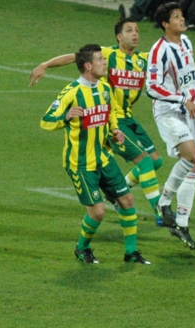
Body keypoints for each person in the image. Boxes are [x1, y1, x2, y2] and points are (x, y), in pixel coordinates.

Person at [30, 19, 164, 221]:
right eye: (129, 30)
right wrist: (46, 64)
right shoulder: (107, 55)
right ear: (119, 36)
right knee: (145, 163)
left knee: (156, 162)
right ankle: (161, 212)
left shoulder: (143, 59)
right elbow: (75, 57)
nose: (135, 34)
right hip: (112, 120)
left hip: (129, 118)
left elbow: (175, 65)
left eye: (137, 30)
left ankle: (119, 191)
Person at [41, 44, 150, 265]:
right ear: (88, 66)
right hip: (80, 163)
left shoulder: (105, 89)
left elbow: (109, 116)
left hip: (103, 158)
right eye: (100, 59)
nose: (105, 62)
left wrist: (115, 131)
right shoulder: (72, 92)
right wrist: (65, 117)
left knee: (128, 200)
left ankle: (131, 253)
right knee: (98, 213)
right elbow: (46, 121)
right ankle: (82, 248)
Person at [146, 2, 195, 249]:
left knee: (193, 165)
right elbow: (152, 87)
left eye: (182, 15)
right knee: (191, 155)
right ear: (165, 24)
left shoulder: (186, 43)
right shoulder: (158, 50)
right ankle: (164, 202)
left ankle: (182, 224)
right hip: (168, 111)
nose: (182, 19)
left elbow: (189, 76)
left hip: (188, 109)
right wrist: (183, 98)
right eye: (176, 17)